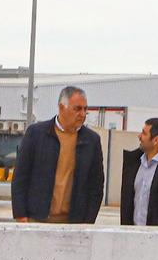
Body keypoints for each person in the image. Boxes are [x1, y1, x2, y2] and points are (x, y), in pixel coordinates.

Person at [12, 85, 105, 224]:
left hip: (73, 225)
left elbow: (96, 186)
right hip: (35, 220)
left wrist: (88, 222)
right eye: (77, 108)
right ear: (62, 107)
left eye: (85, 109)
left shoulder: (91, 141)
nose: (83, 114)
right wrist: (20, 215)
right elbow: (20, 176)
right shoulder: (36, 134)